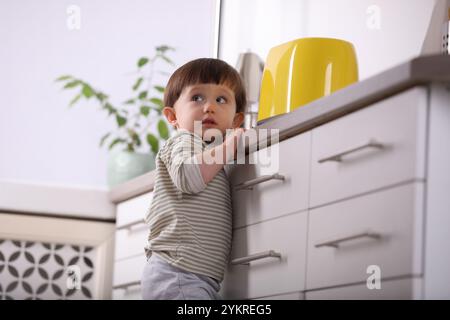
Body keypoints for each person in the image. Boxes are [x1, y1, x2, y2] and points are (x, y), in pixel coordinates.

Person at [141, 58, 247, 300]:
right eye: (197, 98)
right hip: (176, 272)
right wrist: (230, 146)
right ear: (172, 116)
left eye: (221, 99)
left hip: (192, 276)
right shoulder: (184, 140)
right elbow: (188, 176)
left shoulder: (208, 150)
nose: (209, 106)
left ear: (236, 120)